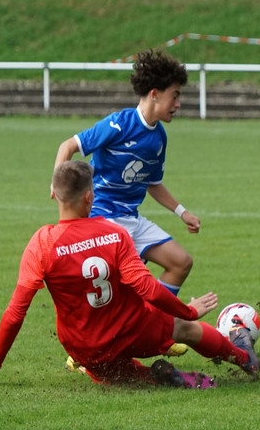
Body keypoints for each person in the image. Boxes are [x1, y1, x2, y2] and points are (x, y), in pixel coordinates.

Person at [0, 161, 260, 388]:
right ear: (89, 196)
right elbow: (146, 287)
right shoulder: (113, 233)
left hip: (84, 346)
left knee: (117, 377)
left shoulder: (42, 244)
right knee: (186, 329)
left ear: (54, 194)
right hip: (134, 328)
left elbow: (16, 312)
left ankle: (164, 378)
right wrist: (189, 310)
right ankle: (245, 359)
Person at [53, 49, 197, 297]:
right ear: (154, 94)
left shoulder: (159, 137)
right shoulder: (117, 125)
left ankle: (154, 322)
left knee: (181, 262)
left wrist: (182, 212)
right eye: (174, 96)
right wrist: (58, 187)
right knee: (129, 287)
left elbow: (153, 183)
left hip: (131, 219)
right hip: (103, 219)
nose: (178, 104)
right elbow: (67, 147)